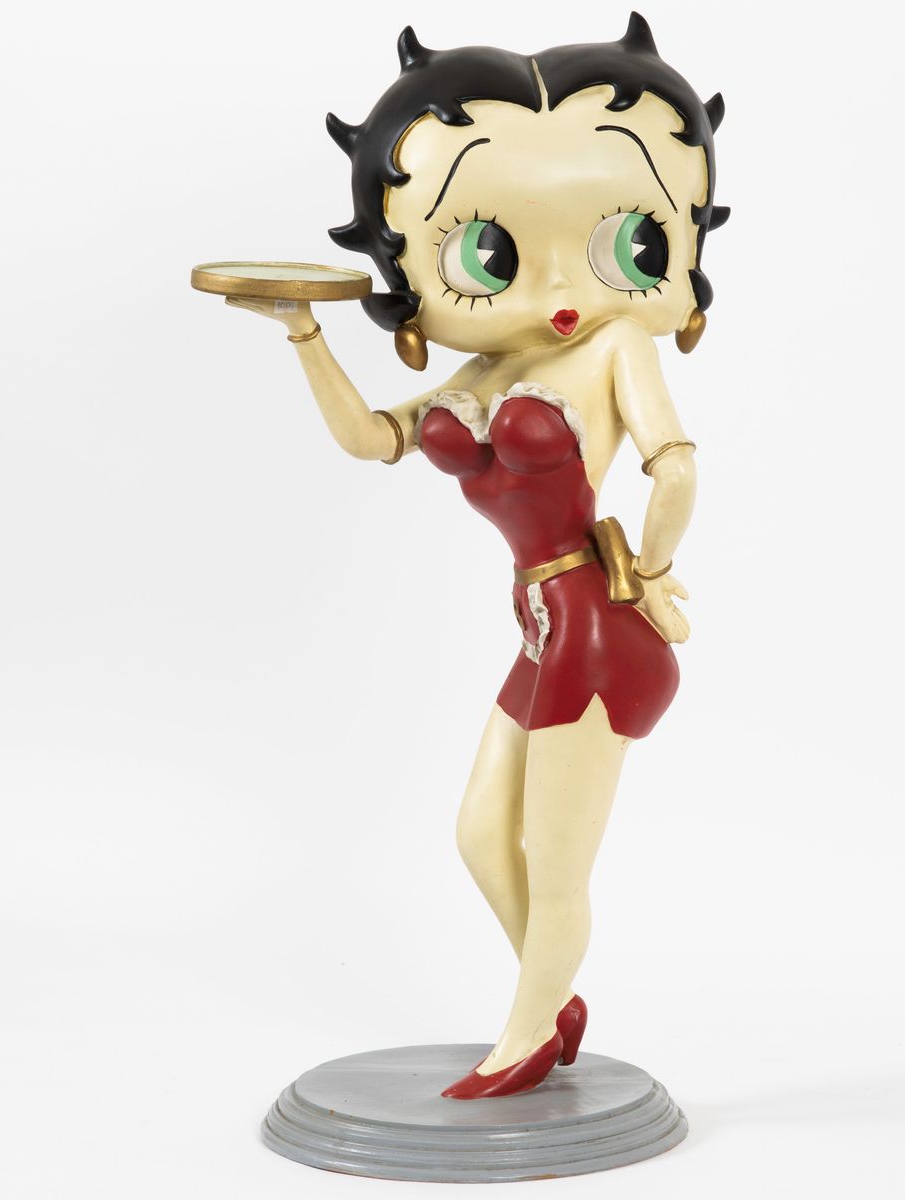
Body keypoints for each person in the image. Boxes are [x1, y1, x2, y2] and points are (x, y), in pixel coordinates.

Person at [226, 13, 728, 1099]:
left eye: (630, 242)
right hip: (542, 624)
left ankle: (525, 1036)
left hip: (596, 628)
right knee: (476, 836)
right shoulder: (481, 378)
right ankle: (552, 991)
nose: (559, 290)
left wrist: (648, 568)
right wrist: (304, 332)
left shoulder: (616, 344)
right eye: (488, 251)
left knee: (557, 861)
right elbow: (372, 438)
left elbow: (676, 468)